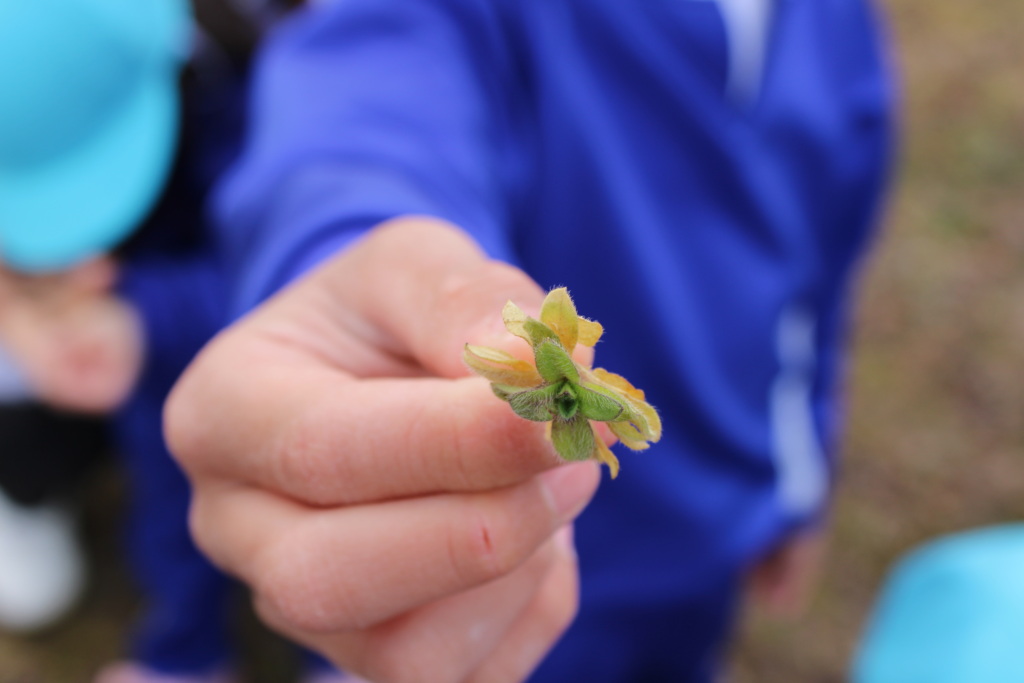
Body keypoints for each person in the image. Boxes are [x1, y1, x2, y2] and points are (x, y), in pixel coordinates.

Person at [166, 0, 896, 681]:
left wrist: (801, 474)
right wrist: (341, 263)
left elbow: (821, 279)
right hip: (507, 569)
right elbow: (361, 128)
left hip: (712, 538)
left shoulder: (837, 28)